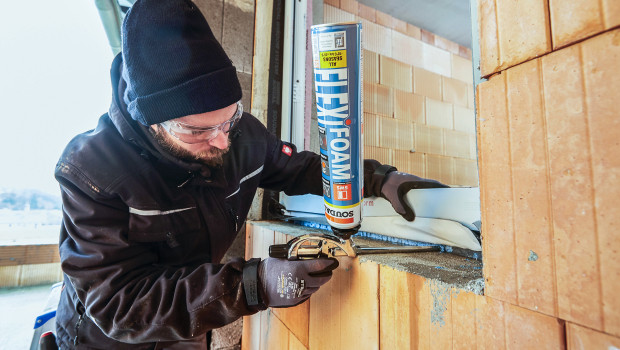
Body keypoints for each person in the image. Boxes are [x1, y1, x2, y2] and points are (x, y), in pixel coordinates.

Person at [53, 0, 447, 348]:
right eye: (199, 131)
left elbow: (304, 169)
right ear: (152, 121)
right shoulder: (91, 173)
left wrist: (377, 179)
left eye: (229, 118)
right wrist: (250, 285)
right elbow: (119, 302)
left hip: (188, 328)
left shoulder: (240, 136)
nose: (223, 141)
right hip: (108, 341)